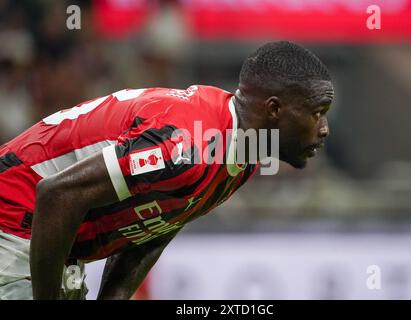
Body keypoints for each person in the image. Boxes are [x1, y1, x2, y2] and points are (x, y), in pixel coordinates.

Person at [0, 41, 334, 299]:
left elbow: (153, 229)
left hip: (48, 241)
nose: (324, 129)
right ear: (274, 109)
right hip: (13, 222)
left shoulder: (242, 151)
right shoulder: (187, 147)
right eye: (318, 113)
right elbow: (55, 194)